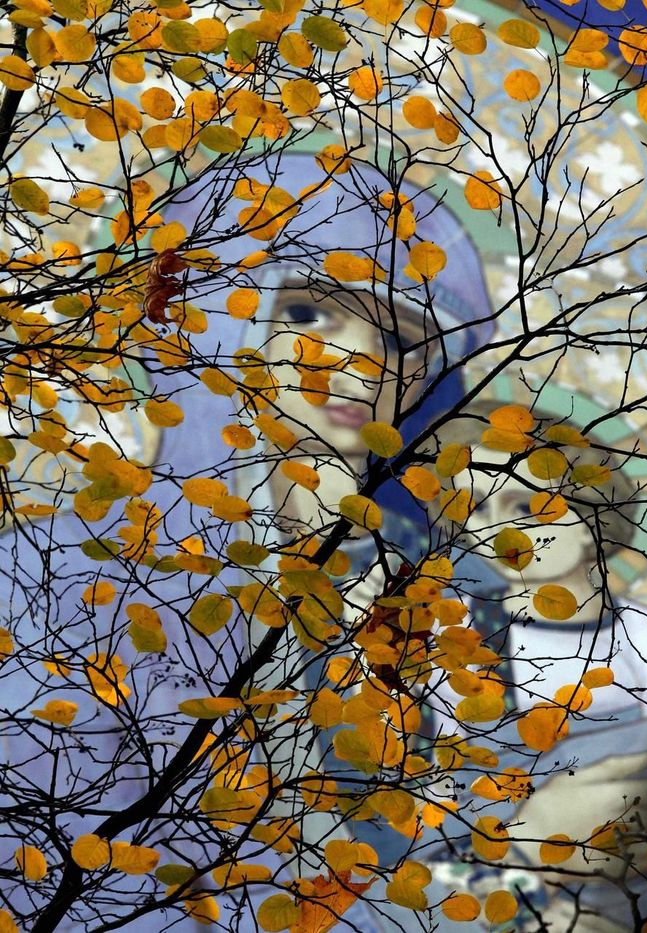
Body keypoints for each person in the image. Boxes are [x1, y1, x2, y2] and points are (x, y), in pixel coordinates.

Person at [0, 150, 497, 931]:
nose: (359, 363)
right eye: (308, 313)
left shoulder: (429, 592)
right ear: (221, 315)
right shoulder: (57, 562)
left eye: (401, 339)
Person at [427, 394, 647, 931]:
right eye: (478, 507)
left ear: (593, 513)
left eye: (524, 506)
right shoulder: (452, 650)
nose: (502, 534)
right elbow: (430, 841)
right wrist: (528, 841)